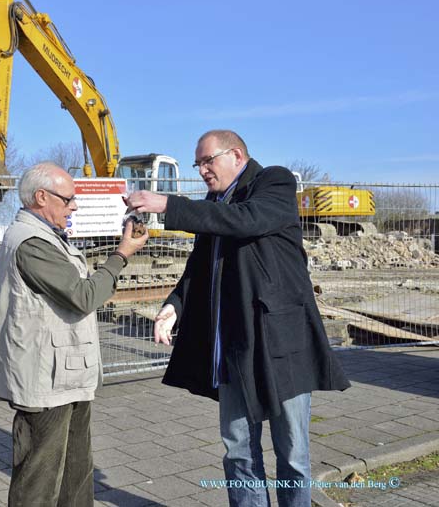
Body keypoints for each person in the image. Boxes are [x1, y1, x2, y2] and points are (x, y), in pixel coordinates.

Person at [125, 130, 350, 507]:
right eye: (198, 163)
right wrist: (174, 305)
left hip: (282, 346)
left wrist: (168, 204)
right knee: (238, 452)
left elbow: (246, 220)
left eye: (207, 161)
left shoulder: (273, 182)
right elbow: (200, 266)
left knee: (292, 454)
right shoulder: (215, 203)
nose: (201, 171)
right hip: (232, 347)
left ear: (236, 155)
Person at [0, 161, 148, 506]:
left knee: (75, 470)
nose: (74, 206)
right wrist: (121, 254)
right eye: (69, 199)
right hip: (45, 377)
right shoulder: (32, 243)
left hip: (63, 373)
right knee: (40, 477)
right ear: (41, 197)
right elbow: (84, 296)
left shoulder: (44, 237)